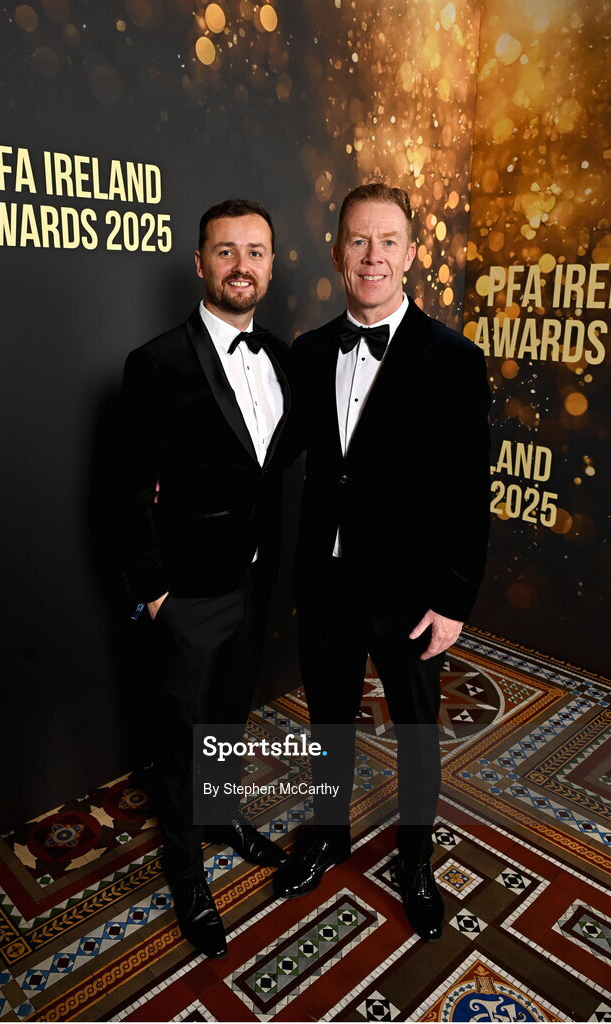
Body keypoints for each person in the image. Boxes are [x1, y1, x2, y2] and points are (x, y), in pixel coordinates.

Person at [273, 183, 490, 942]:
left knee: (417, 734)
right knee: (328, 719)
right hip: (325, 581)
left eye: (387, 241)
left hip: (409, 592)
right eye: (358, 241)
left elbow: (469, 491)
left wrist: (455, 598)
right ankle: (329, 835)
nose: (372, 257)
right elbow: (275, 452)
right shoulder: (307, 352)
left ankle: (415, 860)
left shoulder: (454, 360)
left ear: (410, 252)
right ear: (337, 253)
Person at [116, 199, 291, 959]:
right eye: (225, 251)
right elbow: (122, 491)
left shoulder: (282, 357)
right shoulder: (155, 362)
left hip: (255, 586)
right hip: (187, 597)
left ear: (271, 265)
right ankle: (186, 874)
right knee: (183, 742)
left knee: (226, 721)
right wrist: (156, 595)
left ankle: (222, 818)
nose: (240, 266)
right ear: (199, 263)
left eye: (254, 252)